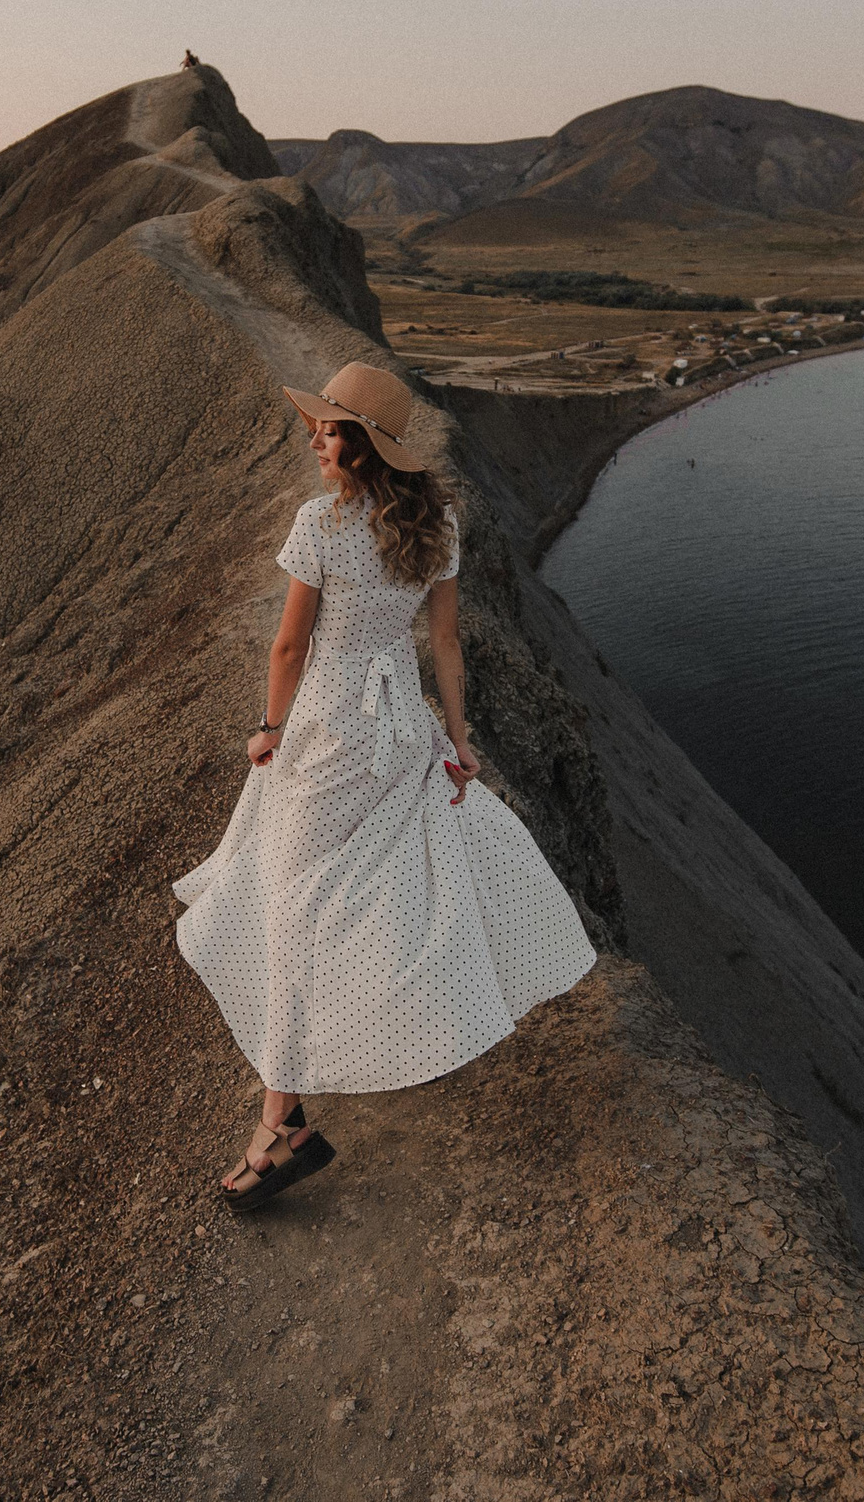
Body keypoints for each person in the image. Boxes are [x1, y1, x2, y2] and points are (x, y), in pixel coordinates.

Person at [173, 362, 598, 1211]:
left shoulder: (320, 527)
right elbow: (446, 645)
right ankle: (331, 1068)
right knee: (372, 884)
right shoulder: (436, 522)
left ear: (365, 447)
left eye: (330, 430)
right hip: (400, 727)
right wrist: (459, 742)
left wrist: (269, 728)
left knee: (292, 903)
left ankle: (281, 1123)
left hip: (330, 732)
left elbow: (289, 649)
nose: (315, 440)